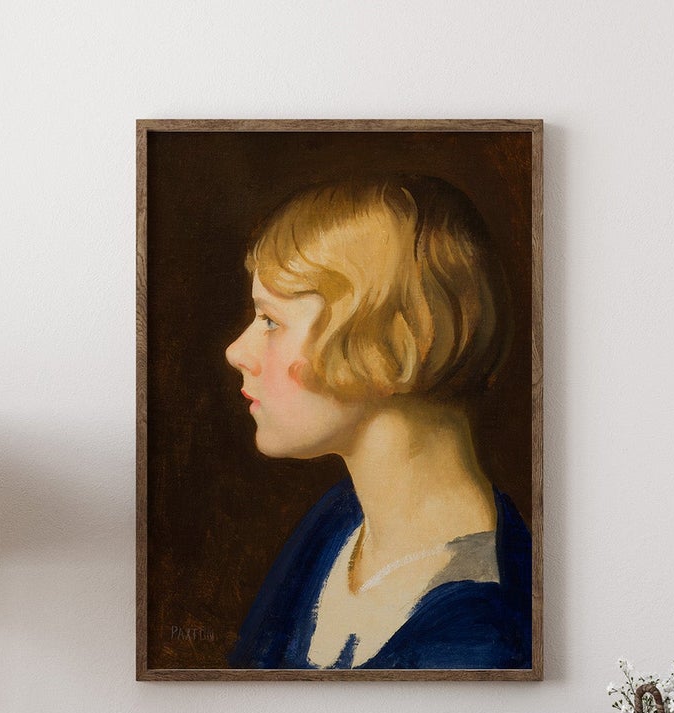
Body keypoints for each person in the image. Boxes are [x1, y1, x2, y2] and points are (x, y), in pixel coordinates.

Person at [225, 174, 531, 670]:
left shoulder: (482, 629)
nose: (237, 351)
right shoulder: (338, 523)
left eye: (271, 321)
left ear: (391, 341)